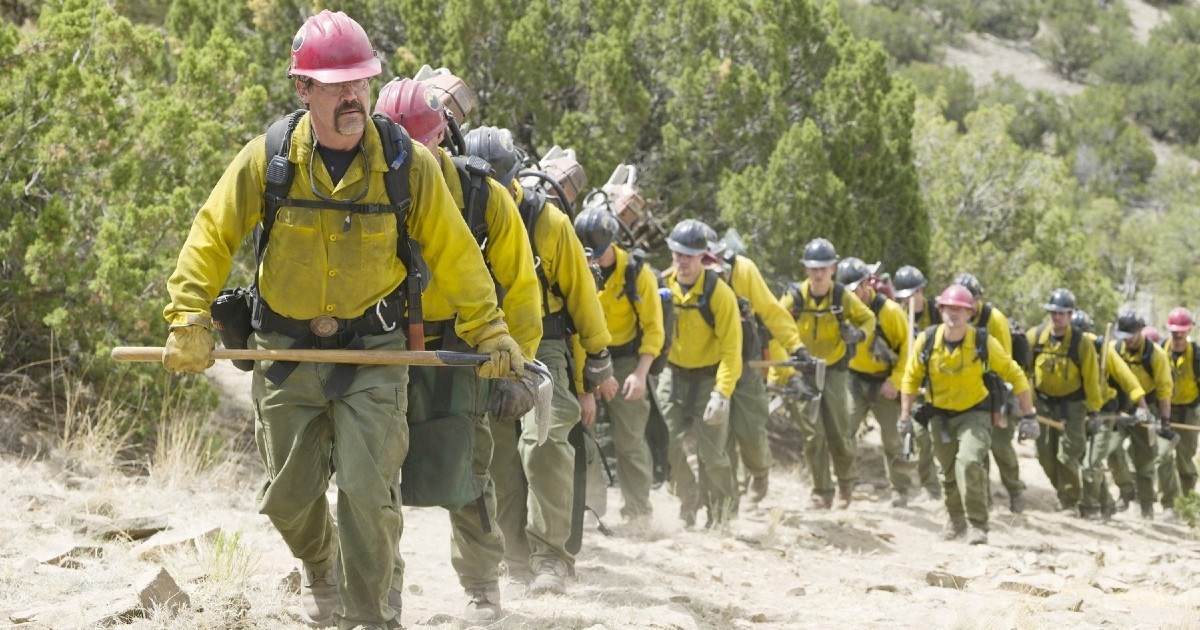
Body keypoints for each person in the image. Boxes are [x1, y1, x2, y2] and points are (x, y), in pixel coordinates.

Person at [160, 11, 524, 630]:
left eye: (361, 81)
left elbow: (456, 253)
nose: (352, 95)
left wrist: (491, 330)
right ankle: (318, 564)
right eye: (336, 84)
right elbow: (211, 234)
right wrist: (189, 315)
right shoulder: (268, 158)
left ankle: (370, 616)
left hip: (373, 354)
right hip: (286, 352)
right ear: (305, 90)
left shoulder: (408, 164)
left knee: (368, 497)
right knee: (289, 497)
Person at [374, 77, 542, 622]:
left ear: (443, 140)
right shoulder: (363, 187)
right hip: (384, 344)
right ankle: (383, 591)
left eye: (420, 148)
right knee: (374, 476)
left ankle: (481, 588)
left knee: (470, 476)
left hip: (464, 351)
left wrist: (520, 370)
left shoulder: (483, 195)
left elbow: (519, 286)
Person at [466, 131, 613, 594]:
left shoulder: (547, 221)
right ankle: (516, 560)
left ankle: (551, 556)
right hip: (487, 344)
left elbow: (581, 296)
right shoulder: (460, 214)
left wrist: (597, 361)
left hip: (543, 343)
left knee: (544, 442)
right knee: (501, 458)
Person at [899, 285, 1035, 545]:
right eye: (949, 308)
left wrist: (1028, 415)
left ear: (970, 313)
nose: (954, 314)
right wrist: (905, 417)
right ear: (940, 310)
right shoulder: (927, 341)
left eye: (961, 309)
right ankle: (956, 521)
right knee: (947, 472)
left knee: (970, 462)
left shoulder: (982, 342)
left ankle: (978, 524)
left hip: (974, 413)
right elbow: (910, 379)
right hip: (938, 414)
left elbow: (1014, 373)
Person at [573, 205, 665, 521]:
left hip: (628, 360)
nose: (593, 260)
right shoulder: (577, 270)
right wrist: (588, 383)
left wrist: (640, 376)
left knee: (630, 439)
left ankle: (639, 512)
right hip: (588, 358)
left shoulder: (637, 273)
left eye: (597, 253)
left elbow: (654, 330)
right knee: (585, 436)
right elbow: (576, 328)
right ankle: (591, 511)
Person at [655, 219, 743, 527]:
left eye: (689, 256)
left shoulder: (720, 295)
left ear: (703, 258)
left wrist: (722, 393)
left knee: (712, 452)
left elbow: (733, 351)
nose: (682, 262)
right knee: (669, 441)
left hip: (710, 377)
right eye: (677, 254)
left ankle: (720, 513)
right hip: (674, 373)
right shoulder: (663, 286)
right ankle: (688, 502)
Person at [708, 229, 805, 506]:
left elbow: (772, 314)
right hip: (711, 367)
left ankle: (760, 470)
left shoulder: (744, 271)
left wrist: (796, 349)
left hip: (747, 364)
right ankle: (728, 502)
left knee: (751, 431)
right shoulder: (690, 277)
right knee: (719, 435)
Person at [780, 238, 875, 510]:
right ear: (805, 269)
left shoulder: (841, 296)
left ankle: (846, 484)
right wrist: (789, 376)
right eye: (813, 268)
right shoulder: (794, 297)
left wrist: (858, 333)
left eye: (823, 267)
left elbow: (868, 319)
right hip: (803, 369)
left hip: (833, 370)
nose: (818, 273)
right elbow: (775, 326)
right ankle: (821, 491)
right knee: (813, 434)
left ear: (833, 268)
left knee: (839, 431)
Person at [837, 258, 912, 507]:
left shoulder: (891, 312)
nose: (853, 295)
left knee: (892, 440)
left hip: (884, 382)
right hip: (854, 379)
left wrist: (896, 381)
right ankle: (843, 485)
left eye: (856, 289)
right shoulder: (842, 310)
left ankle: (900, 490)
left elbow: (908, 352)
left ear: (866, 285)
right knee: (844, 430)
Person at [1024, 289, 1102, 516]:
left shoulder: (1082, 344)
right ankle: (1065, 492)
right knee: (1044, 455)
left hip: (1073, 406)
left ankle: (1070, 502)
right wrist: (1024, 401)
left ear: (1070, 316)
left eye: (1062, 313)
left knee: (1068, 455)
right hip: (1044, 405)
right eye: (1053, 313)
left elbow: (1091, 379)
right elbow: (1024, 371)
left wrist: (1094, 411)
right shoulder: (1035, 337)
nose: (1056, 317)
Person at [952, 273, 1025, 514]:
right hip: (968, 389)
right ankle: (982, 499)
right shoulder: (953, 319)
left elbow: (1004, 361)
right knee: (975, 446)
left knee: (1001, 446)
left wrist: (1001, 400)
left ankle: (1015, 492)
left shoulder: (995, 319)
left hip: (996, 389)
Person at [1071, 309, 1153, 519]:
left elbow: (1128, 380)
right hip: (1080, 412)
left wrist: (1142, 406)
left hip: (1105, 414)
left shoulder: (1102, 349)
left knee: (1093, 461)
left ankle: (1090, 507)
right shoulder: (1066, 347)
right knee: (1084, 460)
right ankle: (1106, 503)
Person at [1113, 310, 1179, 519]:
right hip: (1120, 408)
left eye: (1130, 336)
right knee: (1112, 450)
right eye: (1123, 337)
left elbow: (1164, 391)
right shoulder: (1114, 349)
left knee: (1144, 462)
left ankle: (1147, 507)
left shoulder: (1156, 354)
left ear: (1140, 332)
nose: (1127, 341)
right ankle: (1126, 490)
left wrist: (1165, 422)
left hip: (1147, 410)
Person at [891, 265, 942, 500]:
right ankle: (902, 489)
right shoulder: (897, 315)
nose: (907, 301)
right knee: (907, 433)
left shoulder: (939, 314)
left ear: (922, 291)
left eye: (912, 295)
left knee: (930, 439)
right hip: (907, 381)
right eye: (902, 297)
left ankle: (933, 487)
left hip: (936, 382)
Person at [1165, 307, 1199, 496]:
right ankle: (1168, 503)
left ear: (1189, 330)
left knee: (1185, 458)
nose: (1177, 334)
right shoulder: (1160, 351)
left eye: (1181, 330)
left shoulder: (1197, 355)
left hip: (1189, 411)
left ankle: (1186, 500)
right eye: (1174, 331)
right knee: (1162, 458)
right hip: (1164, 411)